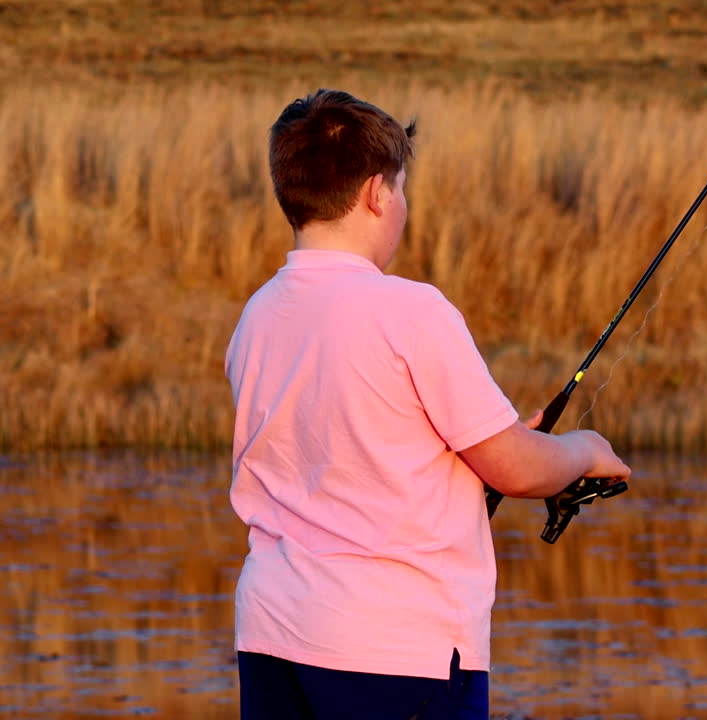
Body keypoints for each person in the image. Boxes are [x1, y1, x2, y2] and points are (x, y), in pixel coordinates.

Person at [224, 89, 631, 720]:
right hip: (397, 652)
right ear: (377, 194)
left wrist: (479, 444)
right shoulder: (411, 311)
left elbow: (345, 448)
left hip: (274, 639)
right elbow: (518, 471)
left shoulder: (258, 316)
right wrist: (582, 451)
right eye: (402, 189)